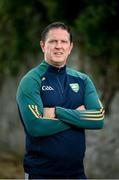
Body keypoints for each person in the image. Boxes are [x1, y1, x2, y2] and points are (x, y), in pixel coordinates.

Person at [16, 21, 105, 179]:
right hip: (40, 173)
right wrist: (79, 118)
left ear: (70, 47)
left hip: (76, 174)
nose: (59, 46)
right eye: (53, 41)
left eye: (63, 42)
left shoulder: (82, 80)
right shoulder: (31, 81)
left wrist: (57, 112)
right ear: (43, 46)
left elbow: (98, 119)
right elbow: (36, 126)